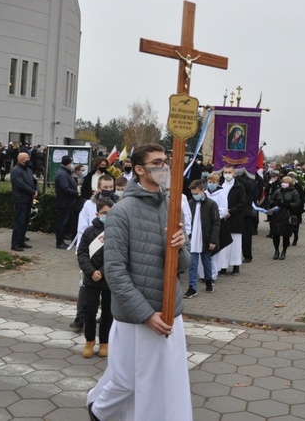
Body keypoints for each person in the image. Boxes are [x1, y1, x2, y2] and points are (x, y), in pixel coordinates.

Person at [87, 143, 192, 421]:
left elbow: (184, 266)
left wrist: (181, 248)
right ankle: (98, 411)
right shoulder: (122, 212)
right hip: (136, 318)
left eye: (165, 162)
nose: (163, 167)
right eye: (156, 163)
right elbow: (115, 272)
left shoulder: (173, 208)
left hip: (170, 312)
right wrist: (146, 315)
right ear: (138, 169)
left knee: (167, 383)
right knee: (129, 382)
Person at [76, 197, 114, 358]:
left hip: (109, 279)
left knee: (108, 313)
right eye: (104, 213)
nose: (107, 216)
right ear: (98, 214)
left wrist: (104, 271)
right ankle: (89, 340)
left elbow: (117, 255)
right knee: (89, 310)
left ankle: (104, 342)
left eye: (110, 213)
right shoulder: (89, 232)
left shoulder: (116, 232)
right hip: (91, 279)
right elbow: (82, 253)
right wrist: (91, 271)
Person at [184, 180, 221, 298]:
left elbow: (216, 223)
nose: (195, 196)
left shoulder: (211, 204)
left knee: (206, 262)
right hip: (192, 239)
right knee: (192, 265)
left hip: (205, 238)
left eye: (196, 193)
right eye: (193, 194)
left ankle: (209, 281)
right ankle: (192, 287)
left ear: (203, 190)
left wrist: (213, 240)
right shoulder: (190, 203)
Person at [10, 152, 38, 252]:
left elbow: (34, 182)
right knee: (19, 222)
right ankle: (15, 244)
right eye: (27, 158)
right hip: (20, 200)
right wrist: (32, 192)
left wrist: (36, 190)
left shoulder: (28, 170)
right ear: (21, 159)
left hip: (28, 199)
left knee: (26, 222)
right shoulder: (16, 171)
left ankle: (21, 241)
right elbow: (20, 185)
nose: (29, 159)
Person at [269, 176, 301, 260]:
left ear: (290, 184)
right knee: (276, 234)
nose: (284, 184)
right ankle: (276, 251)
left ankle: (284, 251)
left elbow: (297, 203)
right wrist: (275, 203)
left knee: (286, 235)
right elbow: (271, 199)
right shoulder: (278, 191)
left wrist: (288, 205)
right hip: (277, 215)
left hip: (287, 216)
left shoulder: (294, 192)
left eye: (286, 182)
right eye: (283, 182)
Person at [221, 165, 245, 275]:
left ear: (234, 173)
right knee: (224, 243)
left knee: (235, 243)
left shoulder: (239, 186)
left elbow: (242, 203)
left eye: (229, 172)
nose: (227, 174)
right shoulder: (220, 186)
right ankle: (223, 266)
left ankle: (236, 265)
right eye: (225, 172)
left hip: (235, 218)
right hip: (223, 218)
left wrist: (231, 211)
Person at [54, 155, 79, 249]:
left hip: (68, 202)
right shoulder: (62, 174)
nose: (72, 165)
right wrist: (76, 193)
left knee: (67, 221)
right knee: (62, 222)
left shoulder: (66, 173)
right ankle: (59, 242)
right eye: (71, 163)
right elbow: (65, 188)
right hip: (64, 202)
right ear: (67, 164)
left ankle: (64, 236)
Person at [234, 168, 256, 263]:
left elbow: (250, 187)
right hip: (234, 211)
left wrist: (238, 177)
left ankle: (247, 255)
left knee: (246, 236)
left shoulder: (250, 177)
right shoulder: (231, 178)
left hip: (246, 211)